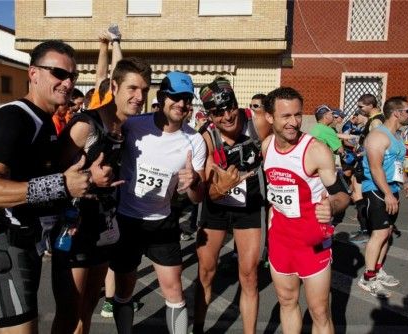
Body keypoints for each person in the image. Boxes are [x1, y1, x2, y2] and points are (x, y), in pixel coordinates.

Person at [0, 40, 91, 334]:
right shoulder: (13, 118)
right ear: (33, 73)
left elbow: (32, 180)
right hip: (5, 242)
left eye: (72, 76)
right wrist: (61, 184)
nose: (67, 82)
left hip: (26, 240)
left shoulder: (44, 121)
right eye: (58, 73)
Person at [50, 30, 151, 334]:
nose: (140, 96)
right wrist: (89, 178)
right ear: (114, 87)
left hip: (105, 226)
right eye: (132, 88)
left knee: (88, 310)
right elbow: (52, 175)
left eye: (145, 90)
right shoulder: (85, 126)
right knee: (69, 314)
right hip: (75, 227)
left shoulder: (124, 127)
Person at [111, 71, 206, 334]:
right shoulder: (134, 126)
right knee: (124, 289)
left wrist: (195, 181)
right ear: (162, 97)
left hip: (162, 223)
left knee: (175, 290)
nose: (181, 104)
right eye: (175, 97)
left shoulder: (195, 141)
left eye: (187, 99)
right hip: (127, 220)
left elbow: (197, 197)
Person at [262, 87, 350, 334]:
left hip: (313, 242)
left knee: (320, 311)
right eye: (286, 116)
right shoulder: (267, 146)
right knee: (287, 302)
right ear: (270, 118)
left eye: (298, 115)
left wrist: (332, 206)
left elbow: (343, 195)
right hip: (280, 240)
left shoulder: (315, 150)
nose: (294, 122)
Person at [192, 78, 270, 334]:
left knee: (249, 276)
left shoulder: (257, 123)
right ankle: (199, 327)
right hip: (216, 206)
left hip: (249, 205)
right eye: (217, 112)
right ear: (209, 115)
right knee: (206, 271)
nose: (227, 116)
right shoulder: (207, 138)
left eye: (230, 107)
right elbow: (204, 192)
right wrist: (221, 186)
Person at [357, 96, 408, 298]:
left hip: (391, 190)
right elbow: (375, 167)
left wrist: (405, 181)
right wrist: (388, 193)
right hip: (376, 190)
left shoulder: (397, 135)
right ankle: (368, 277)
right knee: (379, 234)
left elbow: (397, 163)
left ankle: (378, 270)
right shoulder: (377, 136)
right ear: (396, 113)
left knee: (387, 232)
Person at [350, 93, 386, 244]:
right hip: (365, 161)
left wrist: (361, 151)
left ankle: (366, 230)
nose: (359, 109)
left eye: (361, 106)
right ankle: (367, 228)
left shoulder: (376, 121)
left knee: (359, 195)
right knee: (358, 193)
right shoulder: (377, 119)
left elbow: (376, 145)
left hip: (367, 163)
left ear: (371, 105)